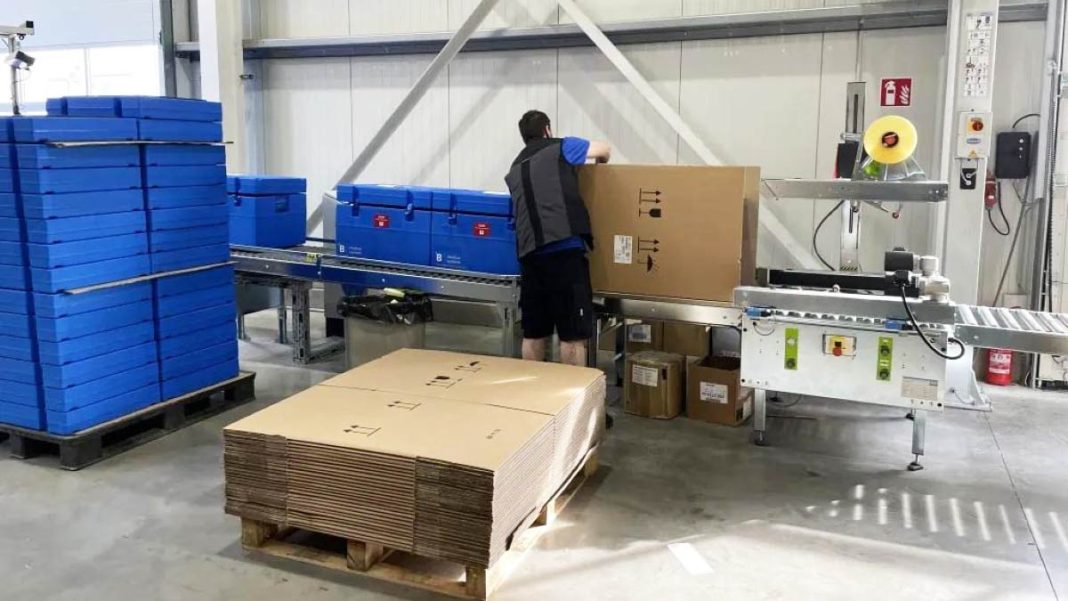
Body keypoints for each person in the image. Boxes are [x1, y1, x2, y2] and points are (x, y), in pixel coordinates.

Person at [504, 110, 611, 367]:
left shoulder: (514, 168)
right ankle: (573, 392)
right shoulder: (561, 147)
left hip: (530, 258)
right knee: (572, 335)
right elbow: (604, 150)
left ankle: (534, 387)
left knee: (533, 333)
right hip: (564, 251)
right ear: (547, 130)